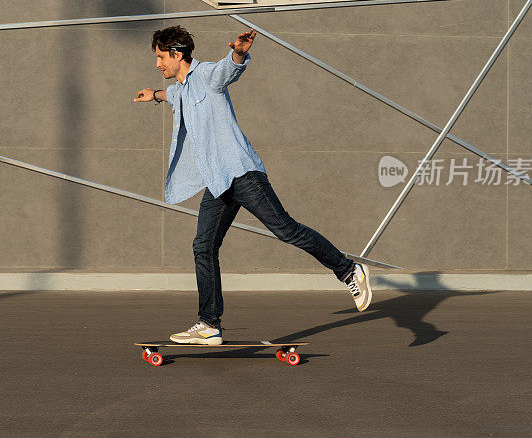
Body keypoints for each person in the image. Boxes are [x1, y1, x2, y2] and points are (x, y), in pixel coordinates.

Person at [134, 25, 371, 345]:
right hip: (218, 183)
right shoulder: (180, 89)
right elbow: (170, 95)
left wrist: (239, 53)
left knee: (287, 230)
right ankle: (209, 323)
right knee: (202, 246)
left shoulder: (206, 76)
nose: (158, 64)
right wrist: (153, 95)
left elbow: (227, 70)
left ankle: (348, 271)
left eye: (161, 57)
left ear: (177, 55)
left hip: (242, 174)